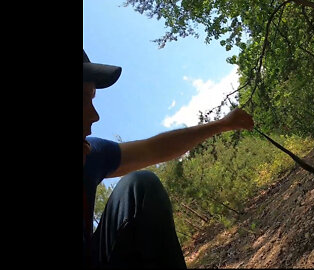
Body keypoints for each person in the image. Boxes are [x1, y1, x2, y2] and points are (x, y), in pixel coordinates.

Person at [83, 49, 254, 268]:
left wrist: (223, 125)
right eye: (83, 98)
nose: (94, 114)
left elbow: (155, 149)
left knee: (139, 186)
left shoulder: (92, 154)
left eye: (91, 98)